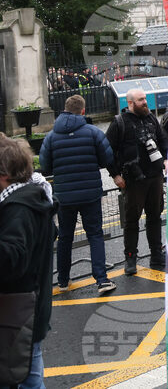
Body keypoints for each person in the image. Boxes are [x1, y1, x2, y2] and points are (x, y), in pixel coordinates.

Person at [39, 94, 117, 294]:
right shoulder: (92, 132)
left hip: (64, 196)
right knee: (95, 235)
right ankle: (101, 280)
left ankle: (63, 280)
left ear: (63, 110)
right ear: (83, 111)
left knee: (65, 237)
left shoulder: (51, 136)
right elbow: (107, 158)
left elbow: (45, 167)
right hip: (90, 193)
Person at [0, 136, 57, 389]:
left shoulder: (18, 208)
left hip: (18, 314)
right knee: (27, 374)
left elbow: (12, 260)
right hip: (27, 311)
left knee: (26, 377)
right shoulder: (31, 198)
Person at [106, 89, 168, 275]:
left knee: (155, 217)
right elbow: (107, 151)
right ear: (130, 102)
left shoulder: (150, 119)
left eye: (145, 99)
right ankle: (130, 258)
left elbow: (163, 141)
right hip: (132, 181)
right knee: (132, 221)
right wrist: (115, 175)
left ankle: (156, 255)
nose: (145, 102)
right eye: (141, 100)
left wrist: (166, 159)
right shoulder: (119, 123)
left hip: (154, 177)